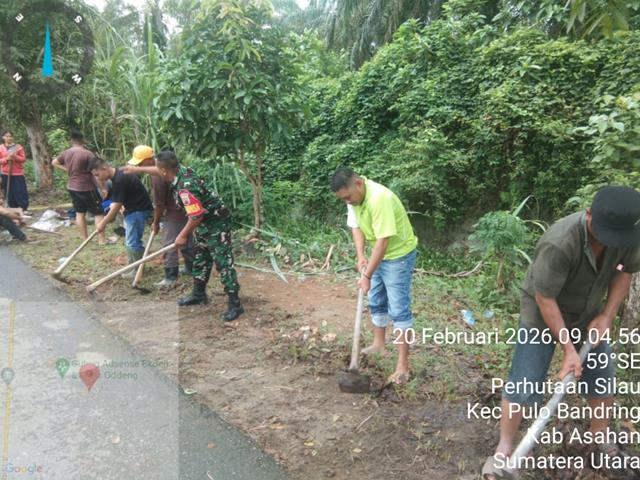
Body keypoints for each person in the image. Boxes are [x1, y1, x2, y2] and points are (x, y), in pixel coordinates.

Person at [482, 186, 640, 480]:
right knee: (525, 379)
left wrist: (607, 315)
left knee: (602, 376)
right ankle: (503, 451)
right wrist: (568, 350)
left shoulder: (627, 234)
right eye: (605, 234)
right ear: (589, 215)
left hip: (588, 312)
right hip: (543, 310)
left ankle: (598, 440)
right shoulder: (560, 241)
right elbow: (545, 298)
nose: (611, 241)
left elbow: (624, 272)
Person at [123, 151, 243, 321]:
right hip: (204, 223)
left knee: (223, 263)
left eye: (157, 168)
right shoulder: (178, 171)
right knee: (201, 258)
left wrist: (182, 236)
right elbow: (159, 170)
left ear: (164, 170)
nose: (156, 171)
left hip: (216, 223)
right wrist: (137, 170)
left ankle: (235, 304)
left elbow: (196, 216)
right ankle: (199, 294)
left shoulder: (185, 187)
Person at [330, 167, 418, 385]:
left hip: (398, 255)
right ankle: (379, 345)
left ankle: (403, 366)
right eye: (343, 200)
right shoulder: (354, 200)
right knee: (376, 300)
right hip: (378, 254)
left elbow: (383, 241)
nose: (347, 202)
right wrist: (361, 256)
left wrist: (367, 275)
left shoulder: (380, 199)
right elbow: (356, 227)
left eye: (348, 197)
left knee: (398, 309)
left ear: (358, 183)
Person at [127, 145, 194, 288]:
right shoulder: (172, 166)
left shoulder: (158, 177)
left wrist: (156, 222)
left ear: (150, 160)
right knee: (187, 239)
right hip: (187, 209)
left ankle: (170, 277)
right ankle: (191, 268)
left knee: (169, 243)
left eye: (140, 163)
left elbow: (159, 204)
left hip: (175, 211)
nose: (138, 166)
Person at [89, 157, 154, 278]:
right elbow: (118, 201)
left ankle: (138, 270)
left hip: (138, 210)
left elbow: (116, 206)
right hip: (133, 209)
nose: (98, 178)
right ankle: (133, 266)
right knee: (130, 241)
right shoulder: (118, 175)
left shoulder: (120, 179)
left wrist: (103, 223)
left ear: (104, 168)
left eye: (98, 175)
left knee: (132, 242)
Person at [52, 130, 107, 244]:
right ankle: (102, 240)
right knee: (98, 213)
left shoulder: (66, 153)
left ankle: (85, 239)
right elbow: (96, 172)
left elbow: (54, 162)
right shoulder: (87, 154)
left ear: (71, 140)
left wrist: (67, 169)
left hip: (72, 187)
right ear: (83, 140)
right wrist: (103, 187)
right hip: (87, 187)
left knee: (80, 213)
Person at [0, 130, 29, 211]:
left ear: (12, 137)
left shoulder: (18, 147)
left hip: (17, 173)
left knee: (20, 190)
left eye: (10, 136)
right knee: (9, 191)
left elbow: (23, 159)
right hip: (5, 173)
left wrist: (15, 156)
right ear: (3, 137)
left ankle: (23, 208)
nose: (8, 138)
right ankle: (13, 208)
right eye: (6, 136)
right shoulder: (0, 148)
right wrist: (6, 159)